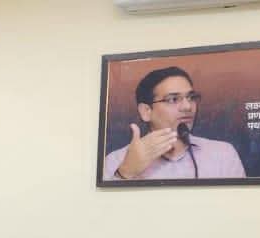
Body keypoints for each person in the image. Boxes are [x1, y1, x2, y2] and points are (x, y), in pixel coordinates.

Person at [102, 66, 246, 181]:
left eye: (191, 97)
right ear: (146, 111)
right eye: (173, 99)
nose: (187, 107)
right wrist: (125, 173)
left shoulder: (223, 154)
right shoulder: (117, 161)